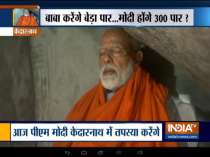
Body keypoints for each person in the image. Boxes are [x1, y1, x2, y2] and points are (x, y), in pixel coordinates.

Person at [53, 28, 178, 147]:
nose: (106, 58)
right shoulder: (85, 103)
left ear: (137, 58)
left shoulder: (156, 99)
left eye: (116, 51)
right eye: (102, 53)